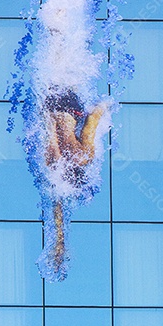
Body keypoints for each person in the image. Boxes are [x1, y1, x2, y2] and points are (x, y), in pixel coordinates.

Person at [41, 89, 107, 270]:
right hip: (52, 106)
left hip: (71, 107)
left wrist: (106, 105)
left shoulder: (85, 156)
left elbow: (92, 119)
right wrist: (59, 244)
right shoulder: (54, 162)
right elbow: (50, 131)